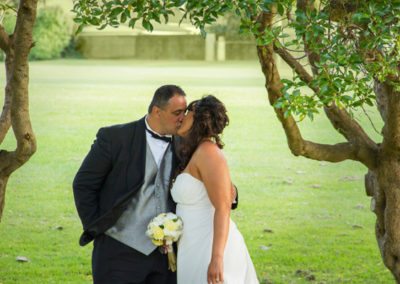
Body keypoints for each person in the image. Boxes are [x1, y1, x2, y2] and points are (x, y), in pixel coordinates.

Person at [73, 85, 187, 284]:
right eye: (177, 113)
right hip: (118, 250)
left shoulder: (185, 145)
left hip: (165, 255)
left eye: (184, 113)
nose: (182, 118)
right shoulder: (115, 138)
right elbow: (83, 184)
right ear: (156, 111)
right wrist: (100, 228)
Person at [171, 95, 259, 284]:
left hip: (210, 245)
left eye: (187, 113)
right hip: (192, 244)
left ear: (198, 119)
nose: (182, 117)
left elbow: (223, 207)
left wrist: (217, 259)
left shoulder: (209, 153)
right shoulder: (195, 150)